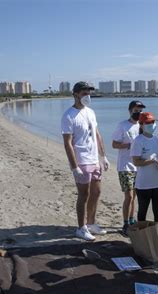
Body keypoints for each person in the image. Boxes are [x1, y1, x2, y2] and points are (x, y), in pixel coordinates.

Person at [61, 81, 110, 241]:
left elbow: (97, 134)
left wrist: (103, 156)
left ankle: (91, 224)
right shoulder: (68, 115)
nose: (87, 96)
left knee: (96, 192)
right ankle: (81, 228)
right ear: (75, 94)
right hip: (81, 160)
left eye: (89, 93)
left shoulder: (91, 112)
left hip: (94, 159)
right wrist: (74, 167)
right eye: (84, 93)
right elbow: (67, 142)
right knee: (84, 194)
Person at [130, 112, 158, 252]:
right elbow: (136, 161)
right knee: (142, 212)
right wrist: (150, 160)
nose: (151, 125)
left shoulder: (156, 139)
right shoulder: (138, 140)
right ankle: (141, 239)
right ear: (141, 125)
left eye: (153, 122)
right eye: (148, 123)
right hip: (143, 184)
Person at [112, 100, 146, 235]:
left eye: (140, 110)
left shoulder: (142, 126)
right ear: (130, 110)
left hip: (138, 166)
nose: (138, 113)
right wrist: (128, 145)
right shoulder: (123, 126)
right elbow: (114, 144)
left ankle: (132, 220)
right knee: (129, 196)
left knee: (135, 196)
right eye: (136, 110)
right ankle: (125, 223)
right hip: (125, 166)